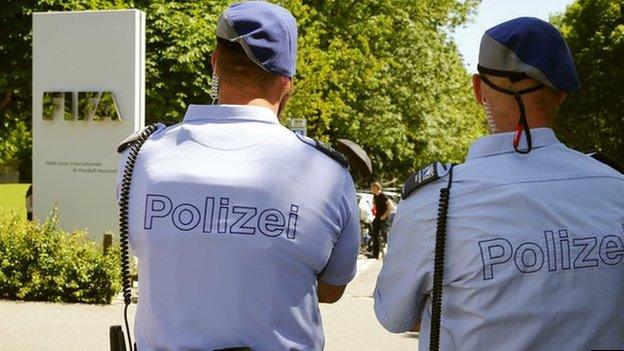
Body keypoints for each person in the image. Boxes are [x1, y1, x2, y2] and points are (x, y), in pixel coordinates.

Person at [116, 2, 360, 350]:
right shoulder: (328, 174)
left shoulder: (140, 158)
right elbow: (333, 288)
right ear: (287, 83)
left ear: (215, 62)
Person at [374, 17, 624, 351]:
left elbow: (394, 316)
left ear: (478, 90)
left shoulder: (435, 200)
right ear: (562, 95)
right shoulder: (615, 187)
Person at [367, 181, 394, 259]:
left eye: (372, 187)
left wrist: (385, 215)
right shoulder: (375, 196)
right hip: (377, 217)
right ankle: (375, 254)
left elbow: (391, 206)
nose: (371, 189)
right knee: (374, 235)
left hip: (383, 218)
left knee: (384, 235)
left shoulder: (383, 195)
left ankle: (390, 252)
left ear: (376, 187)